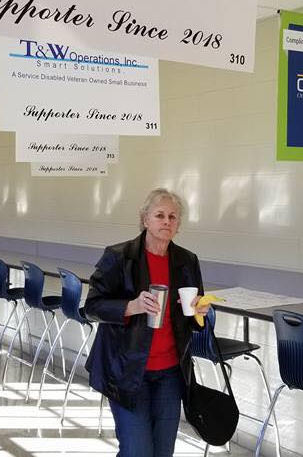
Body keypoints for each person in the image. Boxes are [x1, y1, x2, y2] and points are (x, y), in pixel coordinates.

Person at [84, 188, 210, 457]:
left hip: (171, 372)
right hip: (127, 370)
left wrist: (200, 311)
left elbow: (194, 322)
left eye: (173, 217)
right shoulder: (119, 257)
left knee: (163, 451)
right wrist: (132, 306)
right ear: (145, 219)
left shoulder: (187, 261)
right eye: (160, 215)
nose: (167, 221)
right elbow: (91, 307)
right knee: (137, 450)